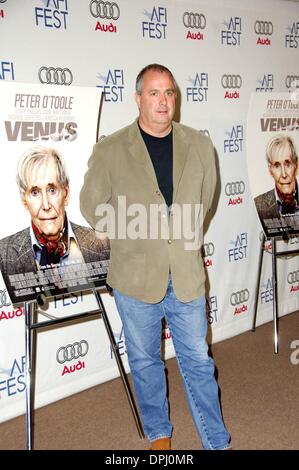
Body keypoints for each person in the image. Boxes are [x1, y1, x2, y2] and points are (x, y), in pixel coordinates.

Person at [80, 64, 231, 450]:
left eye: (169, 93)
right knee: (146, 362)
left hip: (185, 274)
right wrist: (136, 230)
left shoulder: (199, 144)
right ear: (138, 99)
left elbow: (207, 200)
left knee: (198, 360)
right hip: (134, 278)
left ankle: (216, 439)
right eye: (154, 93)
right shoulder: (111, 148)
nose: (163, 101)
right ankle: (159, 433)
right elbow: (91, 205)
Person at [0, 146, 109, 298]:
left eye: (52, 190)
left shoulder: (103, 246)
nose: (46, 205)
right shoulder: (3, 254)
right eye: (35, 192)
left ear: (66, 193)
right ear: (24, 200)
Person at [254, 135, 299, 222]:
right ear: (270, 170)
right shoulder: (259, 205)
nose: (284, 174)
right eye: (277, 166)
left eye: (288, 164)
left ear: (296, 165)